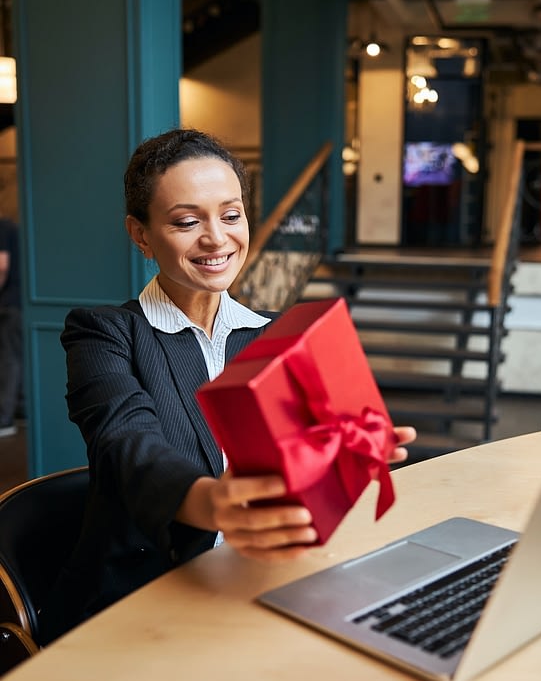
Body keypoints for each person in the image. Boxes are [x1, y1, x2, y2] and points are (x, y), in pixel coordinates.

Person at [46, 128, 415, 642]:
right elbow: (124, 442)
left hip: (265, 580)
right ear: (141, 235)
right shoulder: (103, 332)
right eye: (186, 221)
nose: (217, 239)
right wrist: (212, 502)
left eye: (231, 214)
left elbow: (304, 469)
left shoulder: (279, 335)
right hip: (141, 599)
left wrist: (350, 456)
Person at [0, 215, 23, 437]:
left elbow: (1, 267)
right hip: (19, 302)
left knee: (8, 360)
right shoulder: (12, 227)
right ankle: (20, 410)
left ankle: (4, 419)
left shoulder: (2, 228)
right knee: (15, 357)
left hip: (8, 303)